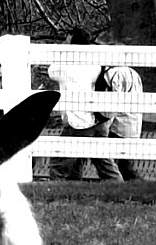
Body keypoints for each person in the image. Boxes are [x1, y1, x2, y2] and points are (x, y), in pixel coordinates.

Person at [47, 28, 122, 181]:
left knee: (59, 162)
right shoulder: (95, 63)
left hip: (78, 122)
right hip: (98, 120)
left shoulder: (66, 66)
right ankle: (118, 185)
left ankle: (53, 188)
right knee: (103, 162)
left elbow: (51, 72)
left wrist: (63, 51)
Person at [99, 63, 143, 180]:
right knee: (124, 164)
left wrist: (105, 124)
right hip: (133, 124)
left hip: (118, 126)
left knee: (112, 163)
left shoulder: (114, 74)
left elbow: (113, 103)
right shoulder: (133, 73)